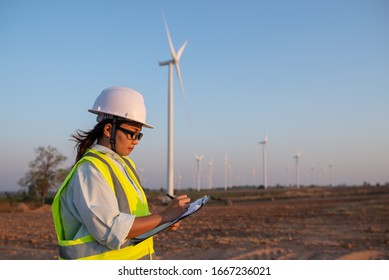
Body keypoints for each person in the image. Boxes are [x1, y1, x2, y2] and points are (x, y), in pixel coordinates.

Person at [52, 86, 190, 260]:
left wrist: (162, 222)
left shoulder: (123, 165)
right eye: (132, 134)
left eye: (139, 136)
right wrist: (164, 216)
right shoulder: (90, 170)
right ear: (108, 130)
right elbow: (112, 229)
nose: (136, 142)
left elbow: (131, 221)